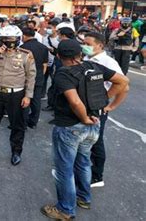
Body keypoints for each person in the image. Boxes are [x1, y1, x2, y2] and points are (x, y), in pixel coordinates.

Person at [41, 39, 128, 220]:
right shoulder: (93, 66)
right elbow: (123, 82)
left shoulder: (63, 74)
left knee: (64, 169)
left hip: (71, 126)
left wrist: (84, 117)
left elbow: (74, 101)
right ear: (80, 54)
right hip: (93, 126)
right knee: (83, 162)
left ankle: (65, 210)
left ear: (58, 56)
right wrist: (104, 102)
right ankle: (84, 198)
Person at [0, 25, 36, 165]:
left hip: (16, 94)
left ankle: (16, 151)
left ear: (18, 39)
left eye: (12, 39)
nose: (9, 42)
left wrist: (28, 96)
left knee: (17, 125)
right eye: (6, 39)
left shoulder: (25, 55)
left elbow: (31, 76)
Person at [82, 32, 127, 188]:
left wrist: (109, 105)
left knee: (96, 141)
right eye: (83, 43)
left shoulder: (108, 62)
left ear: (99, 45)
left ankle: (96, 176)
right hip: (85, 105)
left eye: (88, 44)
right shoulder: (87, 59)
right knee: (82, 138)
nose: (84, 46)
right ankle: (81, 170)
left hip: (97, 106)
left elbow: (124, 86)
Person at [21, 27, 48, 128]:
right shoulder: (43, 47)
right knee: (36, 100)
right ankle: (33, 122)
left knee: (25, 98)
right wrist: (41, 75)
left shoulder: (23, 48)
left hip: (26, 77)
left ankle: (23, 122)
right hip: (39, 76)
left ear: (24, 36)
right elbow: (45, 65)